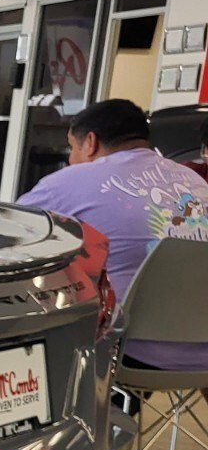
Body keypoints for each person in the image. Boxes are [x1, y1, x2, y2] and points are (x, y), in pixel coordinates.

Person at [20, 98, 208, 369]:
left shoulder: (69, 183)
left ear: (91, 142)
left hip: (128, 350)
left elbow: (10, 230)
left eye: (72, 148)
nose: (71, 159)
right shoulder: (195, 182)